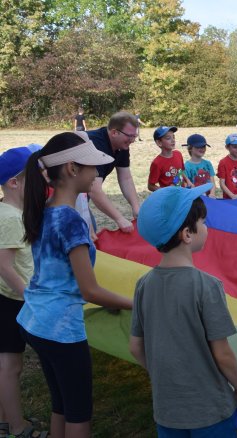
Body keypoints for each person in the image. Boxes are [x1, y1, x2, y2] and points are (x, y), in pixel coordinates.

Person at [18, 131, 133, 437]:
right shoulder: (71, 221)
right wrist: (135, 302)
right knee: (79, 412)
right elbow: (89, 290)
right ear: (72, 169)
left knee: (61, 403)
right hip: (61, 329)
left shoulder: (44, 211)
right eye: (92, 167)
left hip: (34, 320)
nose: (97, 173)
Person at [130, 183, 237, 437]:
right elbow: (223, 354)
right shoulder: (206, 286)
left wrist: (164, 377)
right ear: (187, 234)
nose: (206, 227)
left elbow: (136, 347)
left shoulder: (143, 285)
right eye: (203, 222)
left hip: (167, 410)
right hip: (211, 409)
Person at [0, 147, 43, 438]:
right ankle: (17, 427)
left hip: (13, 297)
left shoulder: (11, 211)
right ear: (15, 182)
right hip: (13, 300)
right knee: (11, 366)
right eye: (34, 176)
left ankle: (4, 421)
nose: (41, 180)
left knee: (7, 364)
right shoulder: (10, 218)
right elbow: (4, 266)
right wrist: (31, 299)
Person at [86, 111, 142, 232]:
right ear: (114, 132)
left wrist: (136, 208)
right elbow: (94, 189)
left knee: (89, 234)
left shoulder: (122, 146)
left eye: (134, 136)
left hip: (79, 195)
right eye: (130, 136)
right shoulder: (95, 144)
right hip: (59, 196)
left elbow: (125, 178)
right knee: (84, 234)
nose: (132, 140)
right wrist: (119, 219)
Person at [147, 126, 188, 192]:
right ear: (159, 143)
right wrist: (166, 192)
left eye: (173, 137)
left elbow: (180, 171)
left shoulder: (178, 154)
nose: (173, 140)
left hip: (183, 193)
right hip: (170, 198)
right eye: (168, 138)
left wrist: (188, 182)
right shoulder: (157, 163)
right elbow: (150, 186)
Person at [183, 134, 217, 199]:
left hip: (209, 198)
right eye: (198, 147)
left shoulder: (208, 164)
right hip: (195, 199)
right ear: (190, 148)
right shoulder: (186, 166)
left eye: (203, 146)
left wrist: (212, 193)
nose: (202, 149)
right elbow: (186, 185)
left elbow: (212, 182)